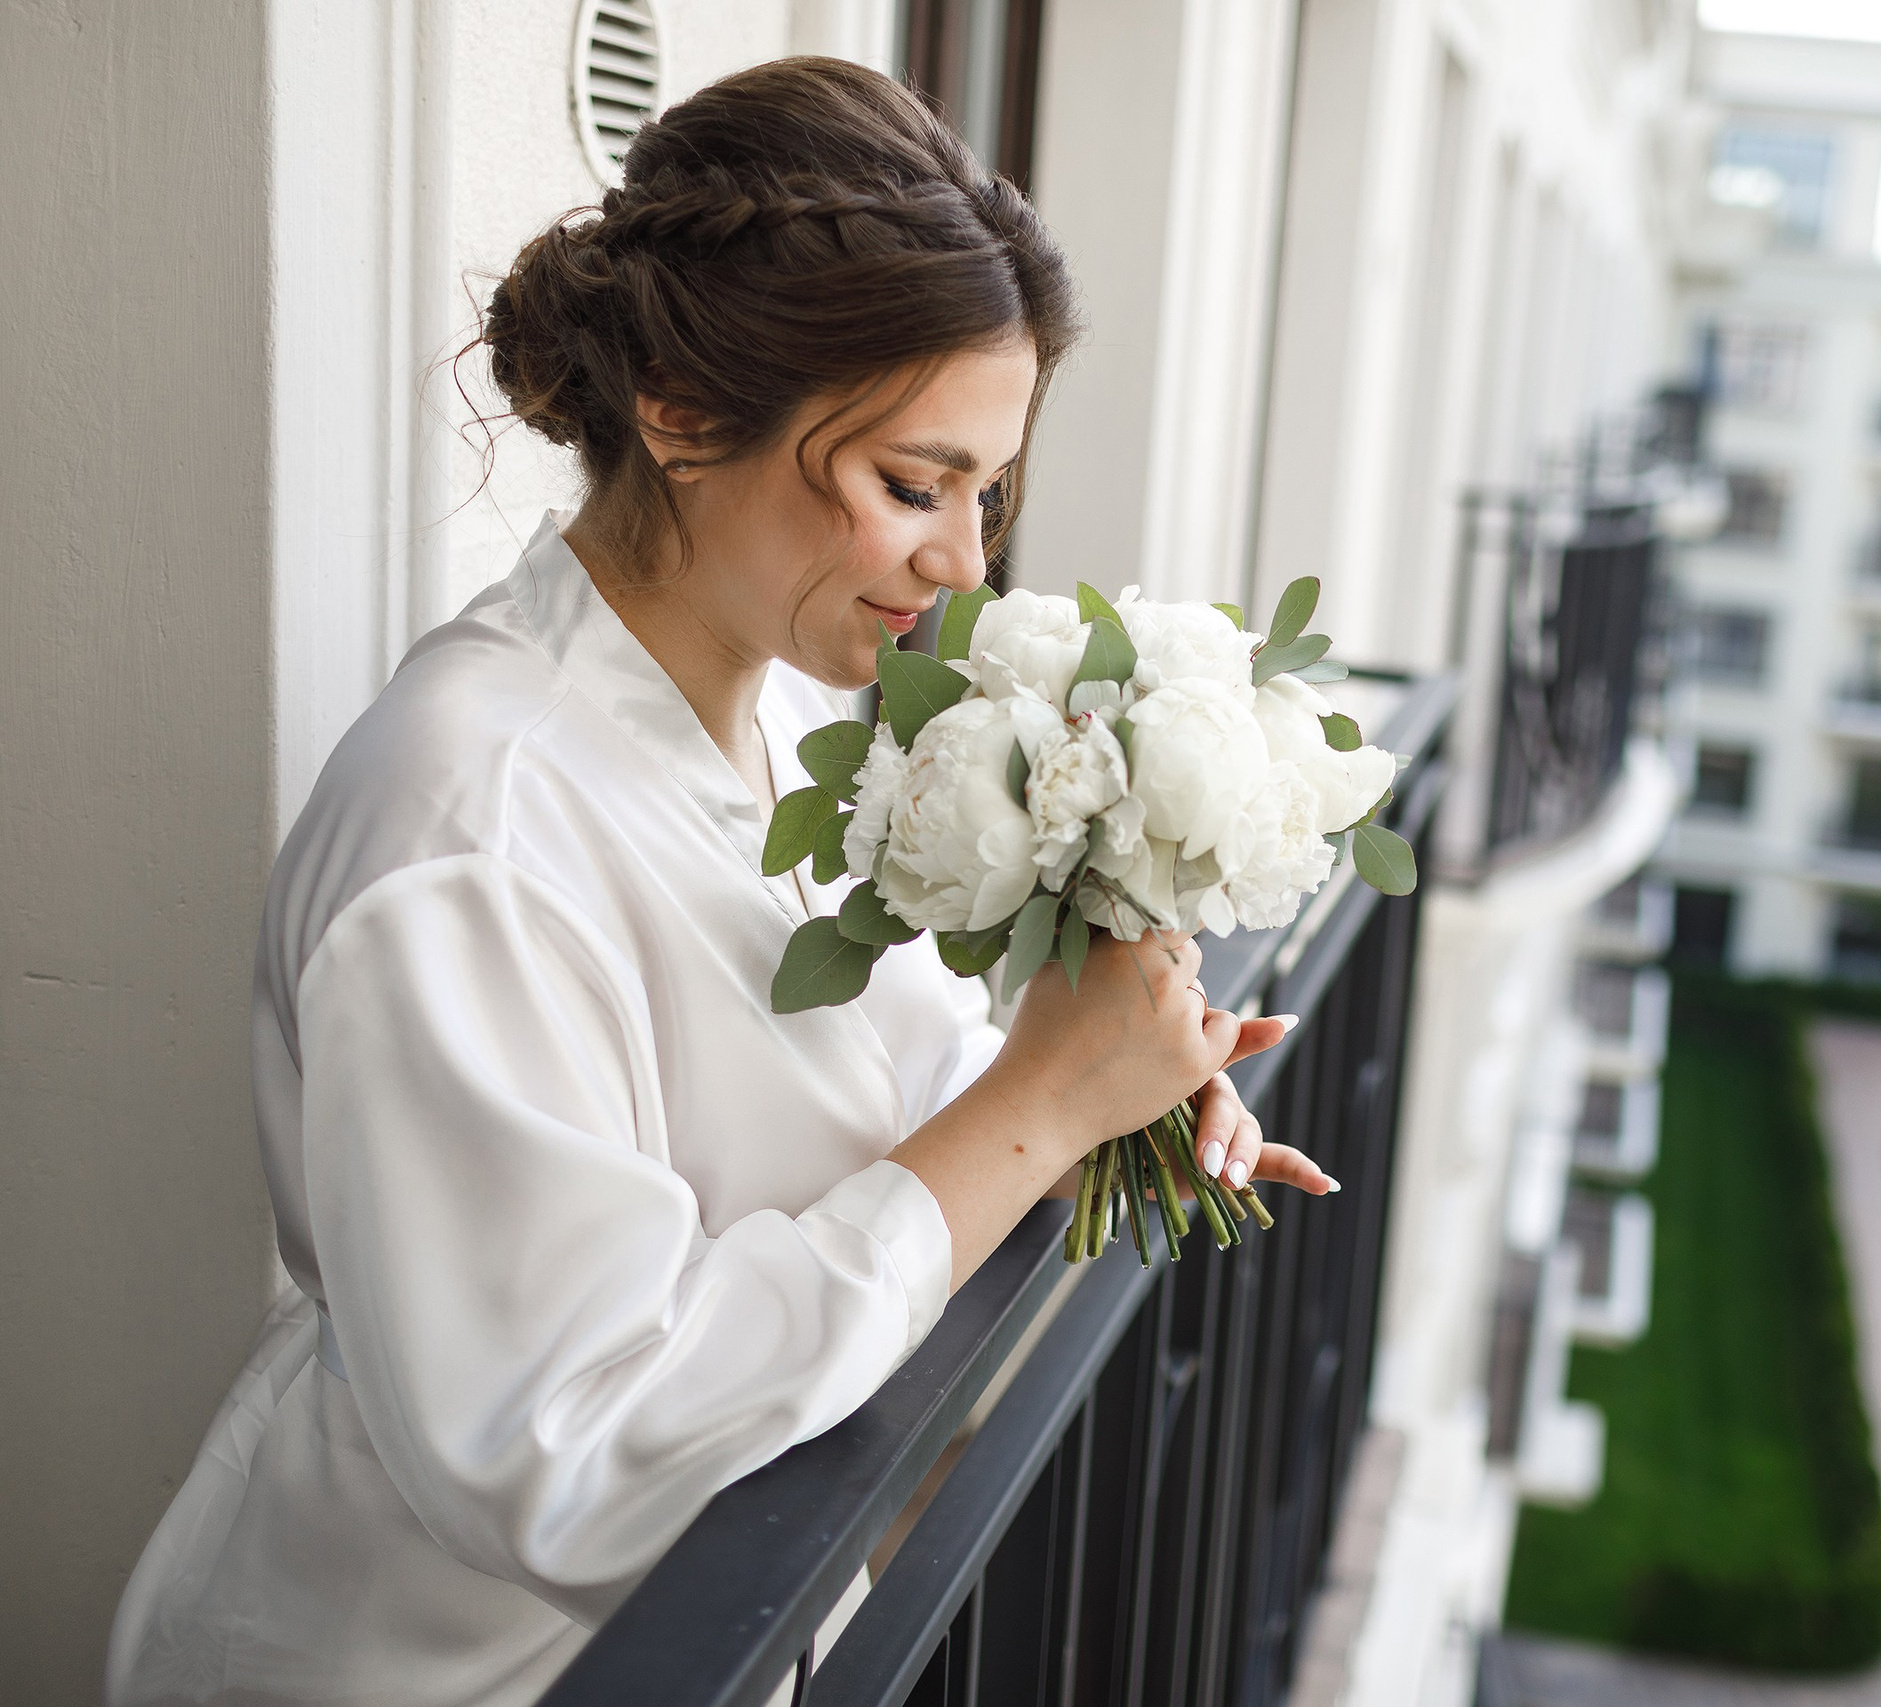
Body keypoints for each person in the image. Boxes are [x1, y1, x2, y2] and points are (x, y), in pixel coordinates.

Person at [106, 57, 1330, 1707]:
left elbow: (847, 1094)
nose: (968, 565)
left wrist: (1106, 1096)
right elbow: (569, 1450)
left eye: (990, 493)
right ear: (682, 409)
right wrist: (1028, 1116)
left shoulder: (791, 705)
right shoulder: (471, 832)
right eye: (913, 485)